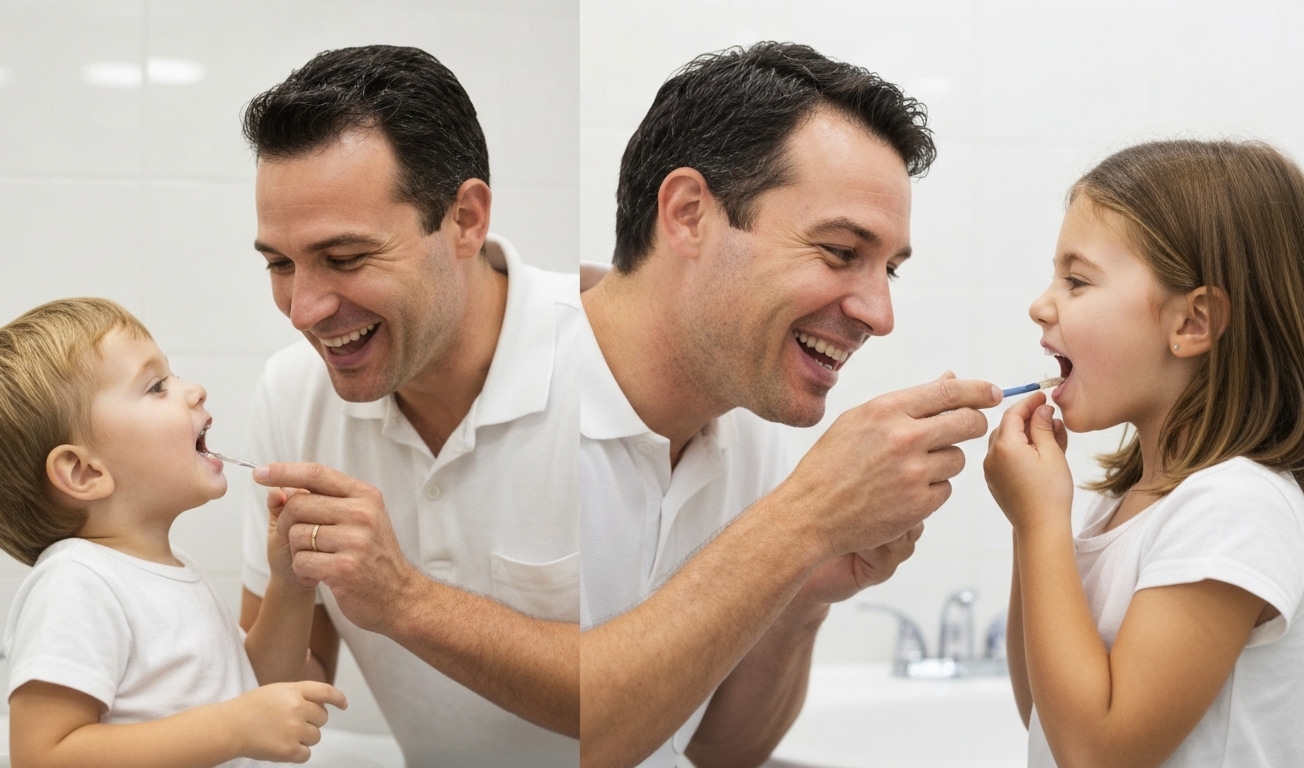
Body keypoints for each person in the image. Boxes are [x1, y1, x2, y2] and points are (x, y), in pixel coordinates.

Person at [579, 42, 1002, 768]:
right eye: (840, 251)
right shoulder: (526, 398)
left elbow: (721, 751)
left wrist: (803, 593)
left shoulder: (749, 430)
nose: (879, 314)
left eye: (890, 269)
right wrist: (807, 518)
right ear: (688, 215)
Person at [235, 46, 580, 766]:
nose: (303, 310)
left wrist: (406, 601)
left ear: (465, 219)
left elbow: (661, 699)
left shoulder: (604, 371)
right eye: (280, 263)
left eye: (346, 258)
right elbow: (283, 696)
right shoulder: (293, 392)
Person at [984, 140, 1304, 767]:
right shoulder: (1121, 504)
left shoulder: (1234, 507)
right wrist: (1031, 526)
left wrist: (1042, 521)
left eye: (1077, 280)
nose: (1040, 305)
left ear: (1193, 323)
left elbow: (1097, 753)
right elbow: (1046, 716)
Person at [0, 298, 345, 768]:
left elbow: (256, 690)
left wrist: (290, 583)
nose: (194, 390)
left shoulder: (170, 574)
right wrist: (232, 728)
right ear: (83, 472)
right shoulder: (77, 584)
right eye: (156, 386)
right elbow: (41, 756)